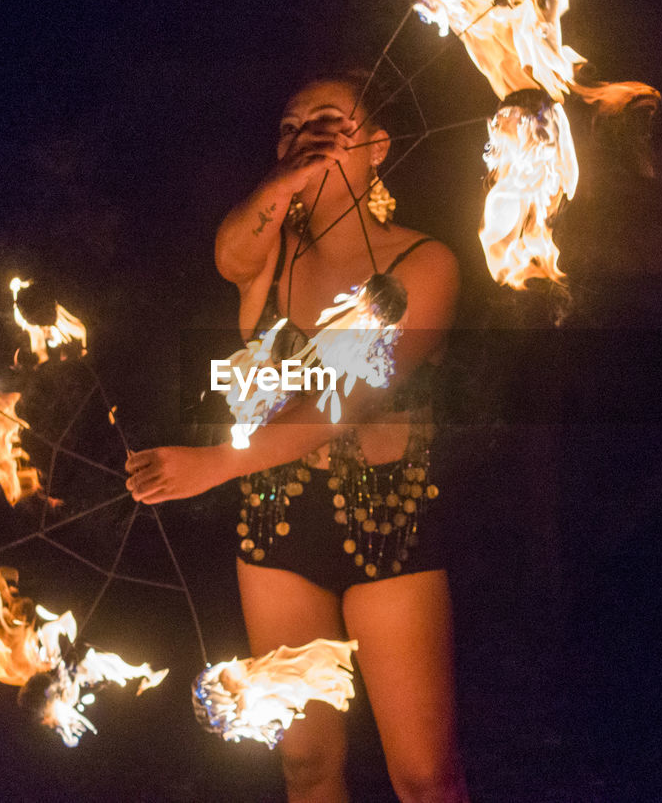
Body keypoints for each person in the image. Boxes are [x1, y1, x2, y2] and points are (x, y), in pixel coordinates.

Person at [126, 71, 467, 802]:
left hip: (388, 532)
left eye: (329, 123)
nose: (305, 133)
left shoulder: (427, 262)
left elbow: (347, 395)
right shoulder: (267, 258)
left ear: (378, 147)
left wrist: (213, 464)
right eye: (289, 126)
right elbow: (228, 251)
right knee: (305, 765)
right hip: (277, 528)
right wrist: (296, 173)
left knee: (425, 776)